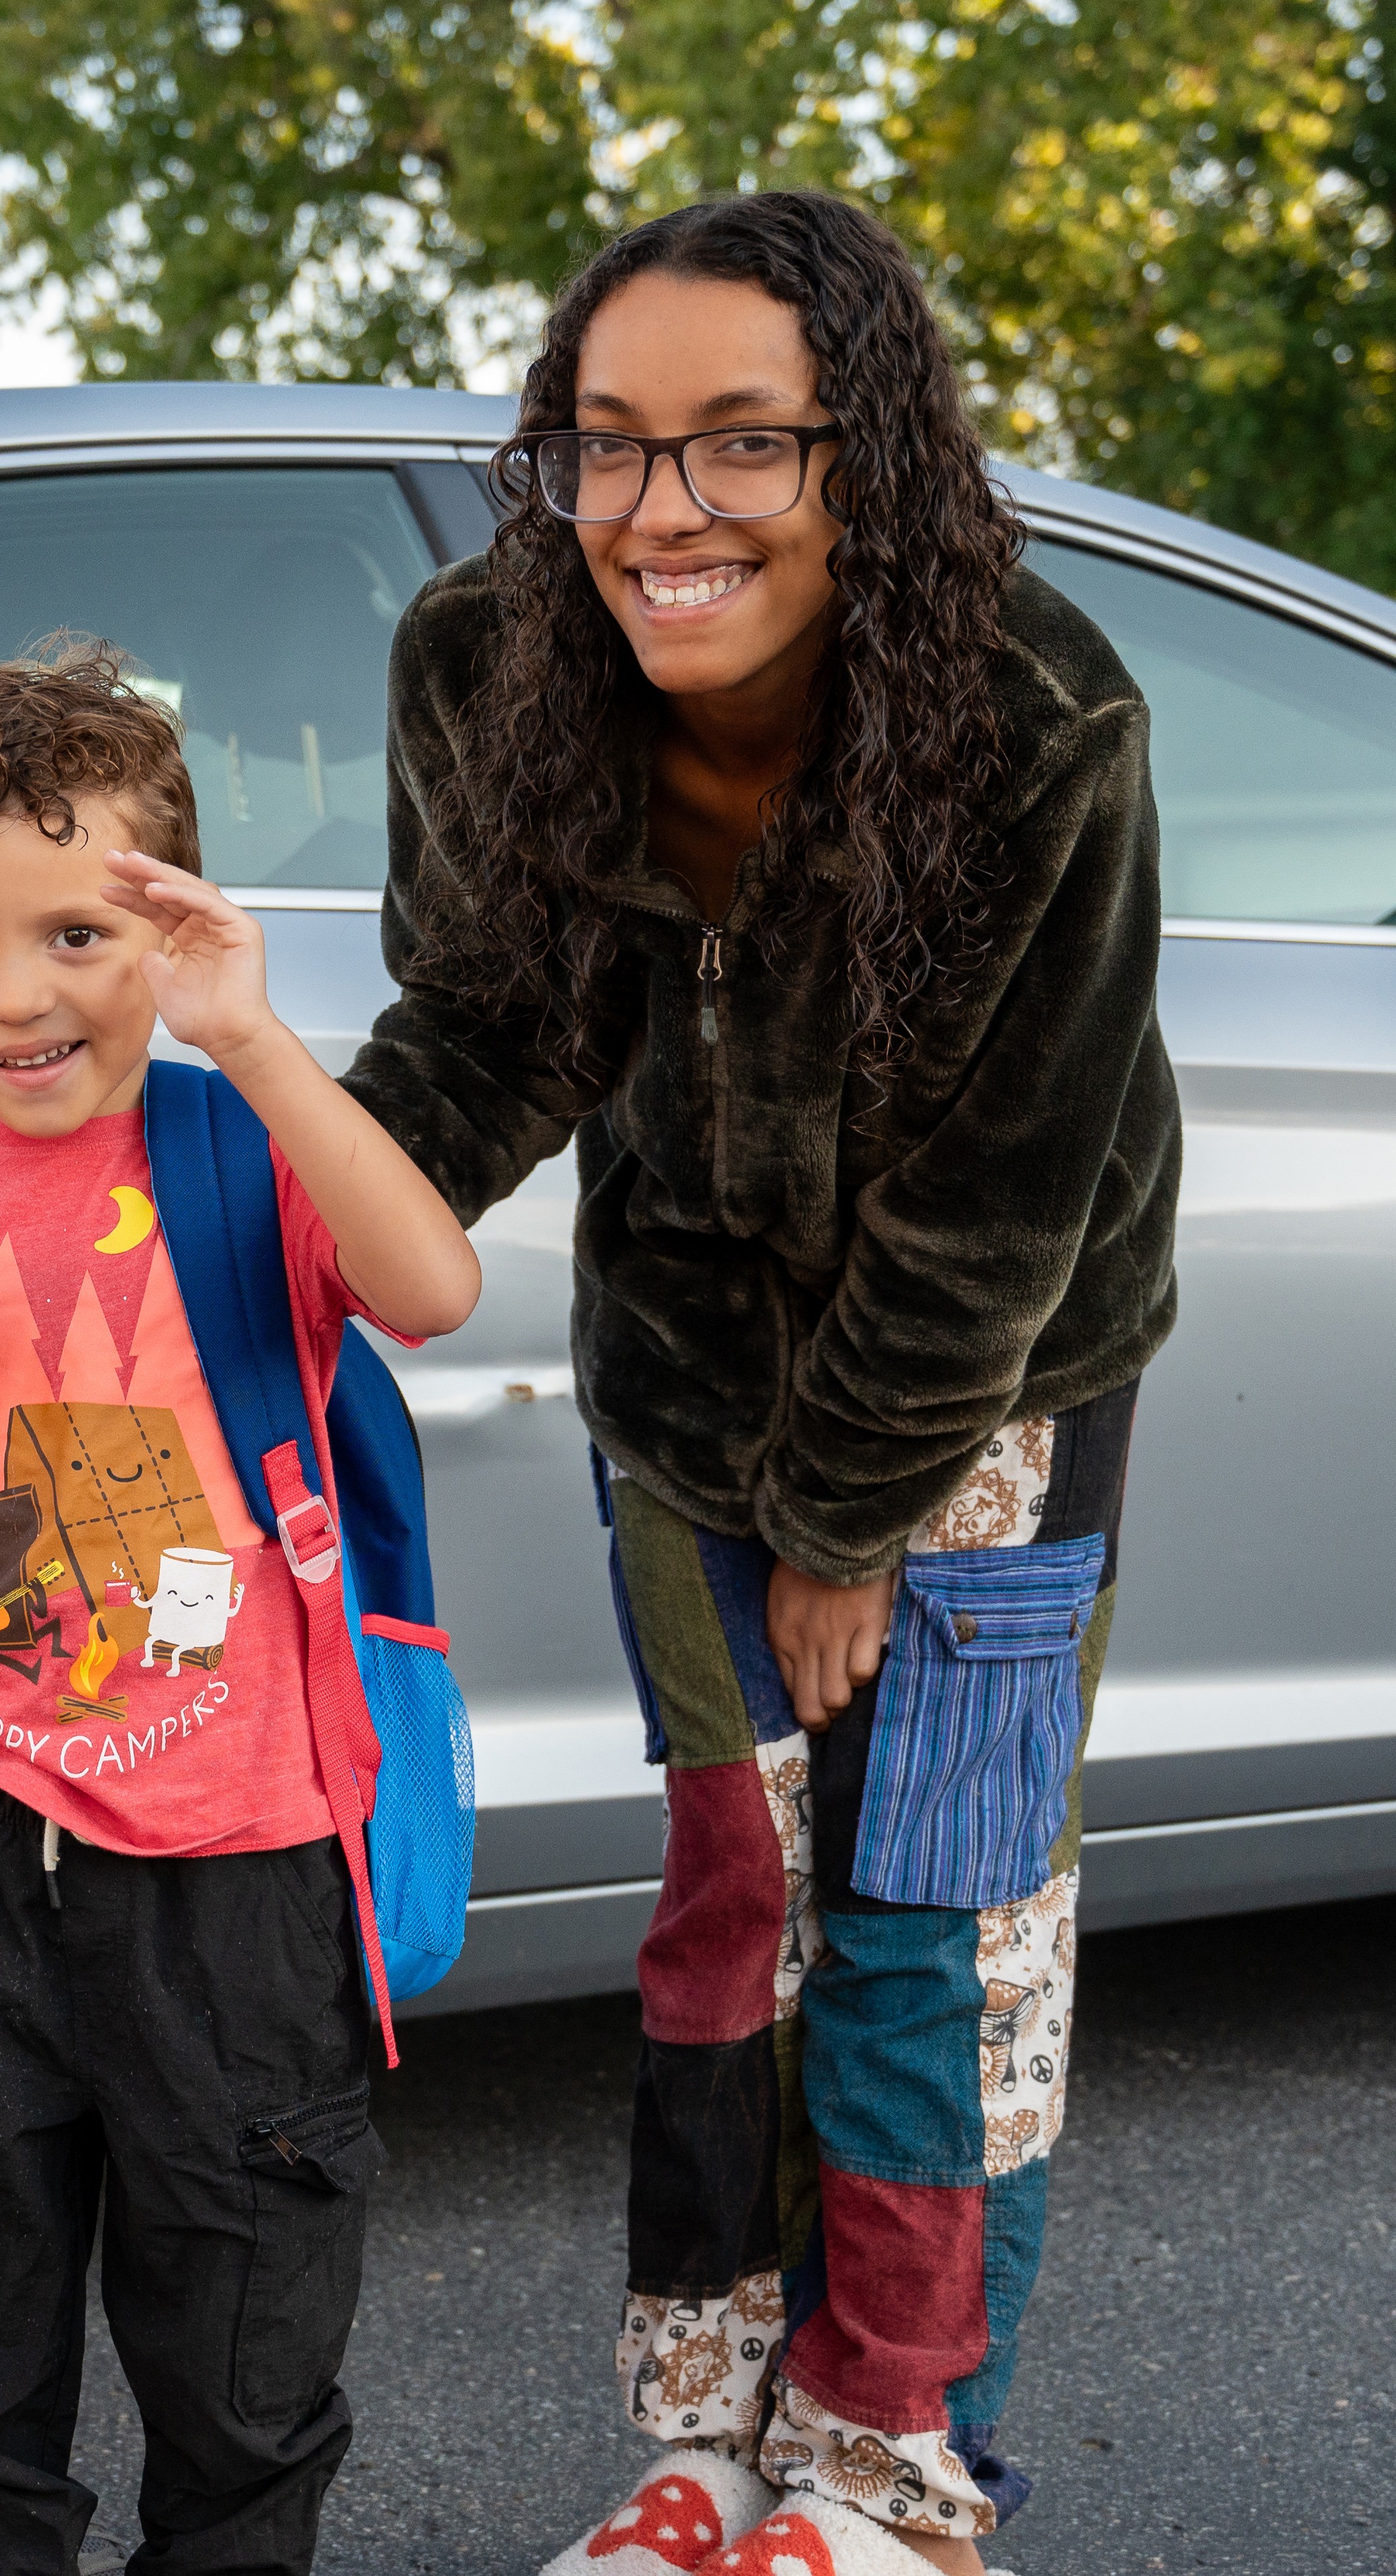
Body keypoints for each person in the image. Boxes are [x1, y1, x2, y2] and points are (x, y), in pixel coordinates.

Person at [343, 191, 1179, 2576]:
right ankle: (712, 2437)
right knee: (735, 1901)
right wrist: (284, 1229)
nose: (659, 514)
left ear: (867, 459)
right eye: (606, 448)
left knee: (939, 1913)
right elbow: (494, 1030)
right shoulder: (484, 665)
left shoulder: (1035, 720)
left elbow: (1002, 1202)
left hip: (1000, 1391)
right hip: (684, 1392)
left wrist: (848, 1522)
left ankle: (902, 2458)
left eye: (738, 447)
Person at [0, 644, 482, 2576]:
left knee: (241, 2360)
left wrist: (255, 1039)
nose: (19, 996)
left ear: (169, 924)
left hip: (239, 1858)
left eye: (79, 930)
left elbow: (432, 1285)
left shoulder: (250, 1150)